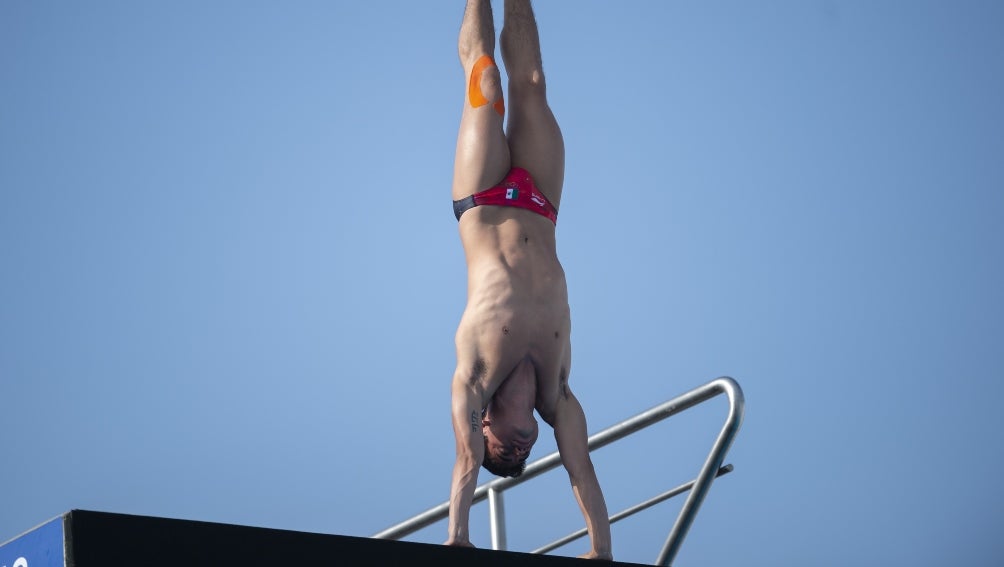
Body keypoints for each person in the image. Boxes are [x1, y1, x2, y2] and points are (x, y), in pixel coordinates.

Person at [446, 0, 612, 560]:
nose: (516, 452)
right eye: (522, 458)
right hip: (542, 204)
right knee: (533, 83)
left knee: (486, 79)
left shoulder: (474, 376)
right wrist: (600, 552)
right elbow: (581, 467)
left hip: (485, 199)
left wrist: (458, 539)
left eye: (503, 453)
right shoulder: (558, 391)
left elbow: (467, 461)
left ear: (484, 423)